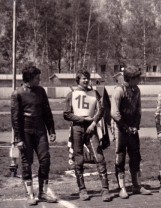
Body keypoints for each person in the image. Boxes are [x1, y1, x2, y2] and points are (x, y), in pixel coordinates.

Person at [11, 65, 57, 205]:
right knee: (27, 163)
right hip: (25, 132)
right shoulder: (17, 93)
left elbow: (47, 112)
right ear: (29, 78)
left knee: (45, 160)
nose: (39, 80)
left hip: (41, 131)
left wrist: (51, 130)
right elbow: (15, 118)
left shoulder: (41, 91)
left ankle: (42, 193)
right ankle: (30, 194)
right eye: (37, 77)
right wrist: (18, 139)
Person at [63, 70, 112, 202]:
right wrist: (81, 120)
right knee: (78, 159)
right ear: (78, 80)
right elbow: (66, 114)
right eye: (83, 78)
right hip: (77, 128)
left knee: (99, 157)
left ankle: (105, 189)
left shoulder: (94, 93)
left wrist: (94, 123)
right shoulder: (71, 94)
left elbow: (101, 110)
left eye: (87, 78)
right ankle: (82, 189)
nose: (86, 81)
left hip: (91, 128)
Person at [111, 65, 151, 199]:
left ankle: (136, 186)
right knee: (120, 156)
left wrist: (135, 126)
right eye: (137, 77)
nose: (139, 79)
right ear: (130, 78)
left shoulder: (137, 90)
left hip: (132, 129)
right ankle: (122, 187)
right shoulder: (119, 90)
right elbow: (114, 113)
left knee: (135, 156)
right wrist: (125, 127)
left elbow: (138, 109)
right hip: (120, 128)